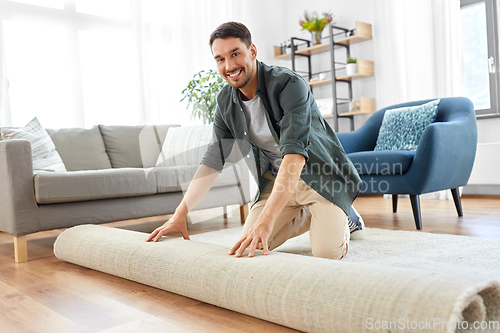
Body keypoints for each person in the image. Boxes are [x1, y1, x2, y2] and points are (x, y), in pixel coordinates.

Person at [146, 22, 364, 260]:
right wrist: (180, 214)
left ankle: (345, 214)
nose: (229, 66)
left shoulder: (289, 85)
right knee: (251, 246)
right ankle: (310, 215)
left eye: (235, 54)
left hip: (321, 180)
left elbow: (294, 154)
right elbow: (213, 160)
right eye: (220, 59)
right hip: (278, 184)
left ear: (252, 51)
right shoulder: (225, 102)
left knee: (325, 255)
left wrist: (267, 220)